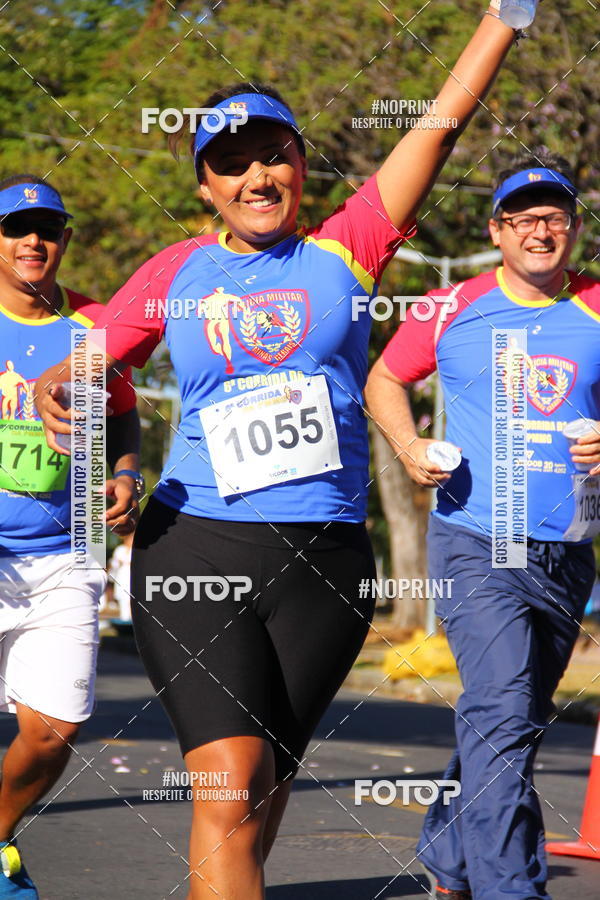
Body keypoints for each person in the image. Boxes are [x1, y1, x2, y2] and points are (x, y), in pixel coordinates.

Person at [36, 9, 527, 898]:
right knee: (227, 788)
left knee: (258, 799)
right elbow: (85, 362)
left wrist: (503, 17)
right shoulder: (175, 271)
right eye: (231, 163)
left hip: (326, 564)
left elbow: (442, 119)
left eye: (274, 154)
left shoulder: (350, 245)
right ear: (205, 188)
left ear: (301, 163)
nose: (257, 175)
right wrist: (61, 395)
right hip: (196, 549)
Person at [365, 149, 599, 900]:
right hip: (476, 541)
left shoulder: (596, 303)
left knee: (513, 723)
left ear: (575, 227)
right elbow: (385, 378)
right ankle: (510, 889)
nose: (541, 231)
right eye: (524, 218)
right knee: (501, 711)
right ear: (497, 230)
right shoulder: (446, 309)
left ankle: (447, 851)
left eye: (555, 216)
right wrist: (406, 447)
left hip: (568, 551)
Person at [0, 175, 141, 898]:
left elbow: (122, 419)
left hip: (65, 552)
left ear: (66, 240)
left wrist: (126, 476)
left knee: (53, 730)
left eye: (48, 229)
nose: (33, 241)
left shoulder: (93, 324)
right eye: (17, 229)